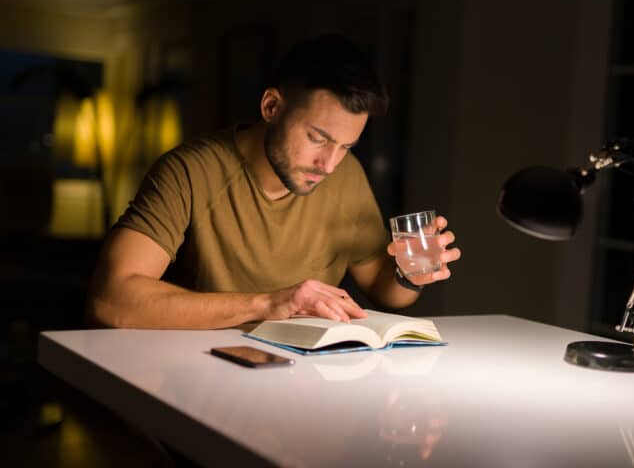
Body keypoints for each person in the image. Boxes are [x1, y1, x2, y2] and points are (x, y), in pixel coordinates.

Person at [87, 34, 461, 329]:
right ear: (271, 107)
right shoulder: (190, 171)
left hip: (307, 379)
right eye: (317, 138)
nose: (329, 164)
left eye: (346, 146)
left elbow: (384, 288)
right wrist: (270, 303)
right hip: (205, 373)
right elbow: (111, 299)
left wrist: (411, 273)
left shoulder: (346, 175)